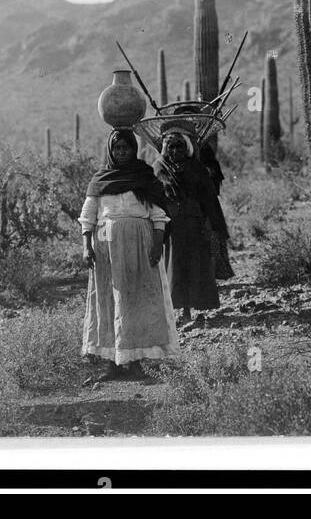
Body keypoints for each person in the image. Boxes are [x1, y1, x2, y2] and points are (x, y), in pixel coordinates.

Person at [79, 128, 180, 379]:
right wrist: (86, 246)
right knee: (109, 300)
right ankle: (112, 362)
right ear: (111, 151)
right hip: (107, 249)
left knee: (136, 300)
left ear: (134, 150)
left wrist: (157, 244)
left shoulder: (144, 177)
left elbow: (158, 215)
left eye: (126, 147)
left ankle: (135, 361)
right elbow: (88, 216)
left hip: (140, 245)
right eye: (117, 148)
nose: (121, 152)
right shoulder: (100, 180)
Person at [155, 131, 229, 323]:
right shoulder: (159, 168)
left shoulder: (197, 168)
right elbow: (155, 198)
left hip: (195, 224)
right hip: (172, 226)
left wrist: (209, 224)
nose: (175, 150)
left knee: (195, 266)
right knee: (176, 267)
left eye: (179, 146)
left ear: (186, 147)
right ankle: (178, 310)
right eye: (171, 146)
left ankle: (193, 308)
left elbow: (209, 199)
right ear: (165, 149)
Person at [199, 142, 235, 280]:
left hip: (208, 206)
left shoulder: (209, 162)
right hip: (199, 207)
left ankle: (210, 275)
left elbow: (213, 187)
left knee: (211, 237)